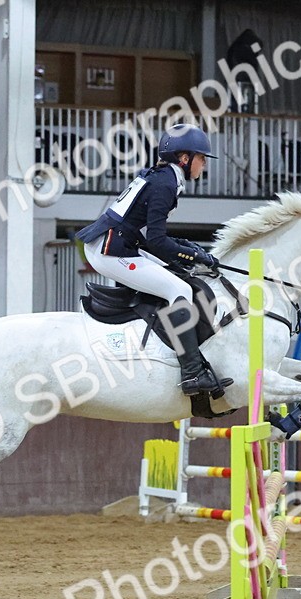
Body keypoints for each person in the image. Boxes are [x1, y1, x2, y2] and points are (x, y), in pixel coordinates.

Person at [73, 123, 232, 399]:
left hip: (120, 243)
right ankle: (192, 371)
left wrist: (187, 248)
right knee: (179, 290)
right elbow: (157, 240)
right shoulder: (165, 184)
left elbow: (152, 236)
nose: (203, 166)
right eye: (201, 159)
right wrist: (193, 254)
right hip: (110, 250)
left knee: (176, 275)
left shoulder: (161, 177)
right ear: (185, 158)